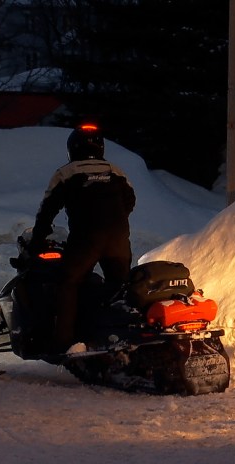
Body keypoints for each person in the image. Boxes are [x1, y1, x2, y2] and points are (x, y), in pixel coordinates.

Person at [30, 124, 136, 354]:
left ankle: (64, 343)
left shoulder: (66, 172)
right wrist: (113, 219)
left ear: (72, 148)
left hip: (86, 238)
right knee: (119, 288)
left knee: (67, 282)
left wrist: (38, 239)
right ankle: (121, 337)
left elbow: (47, 209)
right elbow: (130, 201)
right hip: (118, 238)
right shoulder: (116, 170)